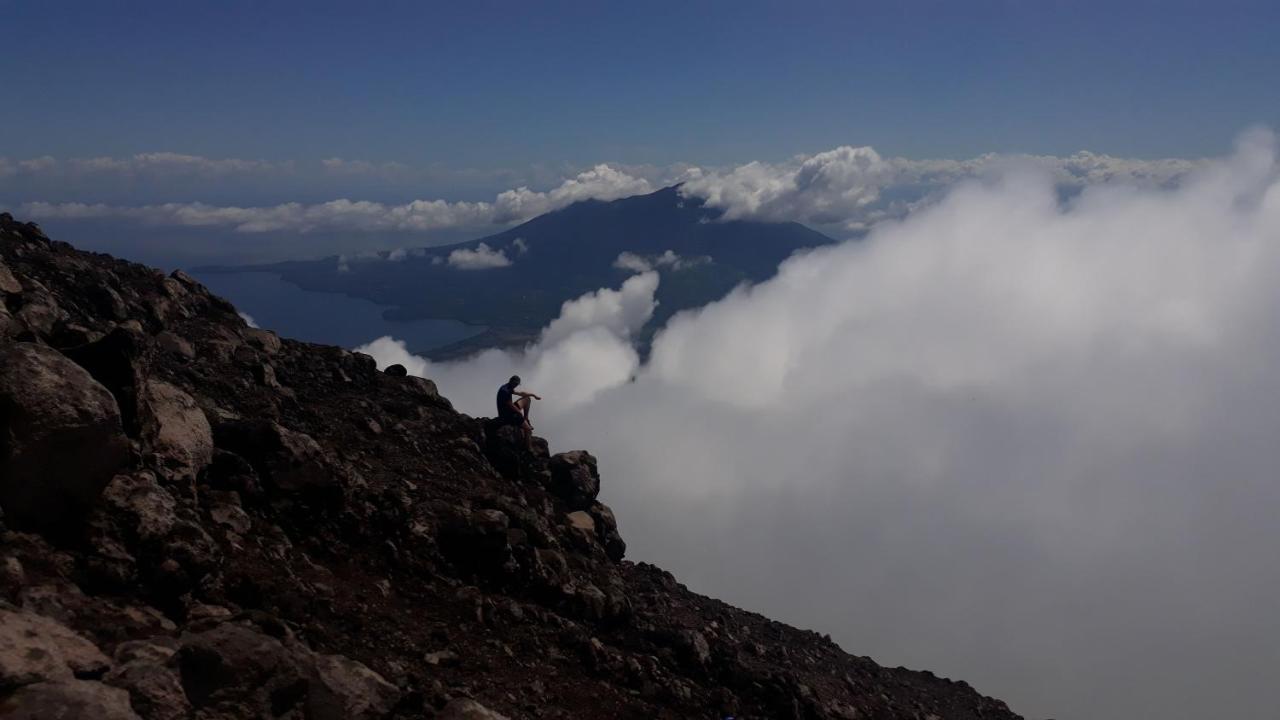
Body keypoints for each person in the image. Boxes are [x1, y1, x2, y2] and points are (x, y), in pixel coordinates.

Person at [496, 375, 540, 448]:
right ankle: (529, 449)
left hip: (509, 410)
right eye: (515, 384)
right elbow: (510, 405)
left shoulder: (508, 387)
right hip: (507, 415)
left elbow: (521, 393)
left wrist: (533, 395)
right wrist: (520, 414)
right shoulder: (505, 391)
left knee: (527, 399)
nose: (515, 385)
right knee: (528, 429)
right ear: (511, 381)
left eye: (517, 384)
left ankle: (526, 418)